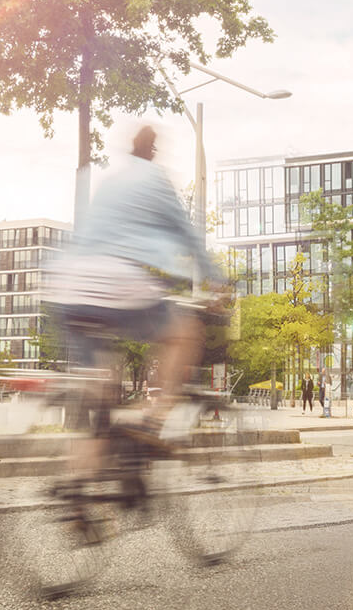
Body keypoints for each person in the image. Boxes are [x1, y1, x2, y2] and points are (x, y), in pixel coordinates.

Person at [42, 125, 221, 447]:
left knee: (100, 395)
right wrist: (217, 279)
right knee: (183, 334)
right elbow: (185, 232)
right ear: (152, 151)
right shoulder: (155, 179)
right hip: (116, 279)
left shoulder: (110, 179)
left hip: (68, 286)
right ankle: (153, 420)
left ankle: (77, 484)